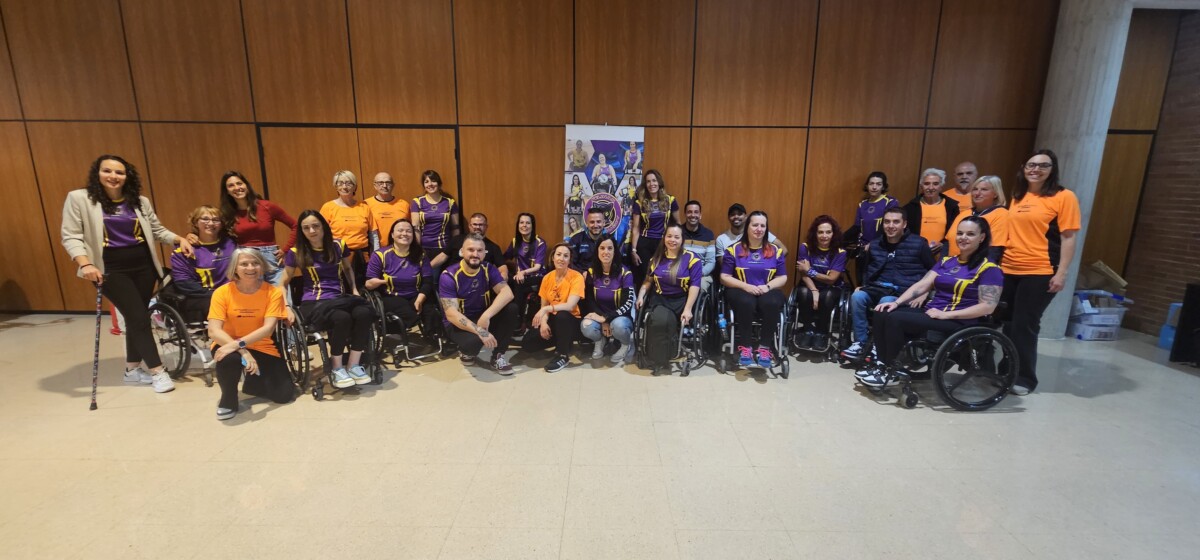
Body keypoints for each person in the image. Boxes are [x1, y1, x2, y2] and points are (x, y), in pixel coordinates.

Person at [61, 154, 193, 393]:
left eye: (119, 172)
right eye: (107, 171)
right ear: (97, 173)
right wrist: (85, 264)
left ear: (126, 176)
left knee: (136, 317)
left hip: (143, 265)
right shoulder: (79, 199)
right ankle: (157, 371)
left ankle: (132, 370)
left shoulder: (139, 201)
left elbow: (155, 229)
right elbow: (71, 235)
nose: (113, 176)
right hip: (109, 268)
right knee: (139, 318)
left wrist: (177, 238)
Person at [855, 217, 1003, 387]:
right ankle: (882, 364)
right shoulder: (948, 261)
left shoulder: (989, 269)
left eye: (970, 234)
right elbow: (923, 284)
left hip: (959, 320)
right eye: (960, 233)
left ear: (982, 238)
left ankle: (892, 370)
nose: (963, 237)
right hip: (933, 313)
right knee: (883, 311)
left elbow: (988, 306)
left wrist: (946, 315)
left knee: (894, 320)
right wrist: (897, 303)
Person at [1000, 149, 1081, 396]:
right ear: (1023, 168)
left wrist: (1062, 273)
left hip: (1040, 270)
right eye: (1031, 165)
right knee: (1008, 323)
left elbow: (1069, 238)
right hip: (1008, 268)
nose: (1035, 169)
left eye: (1043, 165)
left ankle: (1024, 378)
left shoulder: (1064, 197)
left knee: (1025, 324)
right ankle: (1005, 371)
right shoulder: (1017, 196)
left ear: (1052, 169)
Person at [282, 210, 375, 389]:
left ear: (324, 227)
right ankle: (337, 367)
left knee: (364, 313)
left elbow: (348, 269)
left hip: (339, 299)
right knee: (342, 318)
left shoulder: (339, 245)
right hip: (313, 303)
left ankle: (354, 364)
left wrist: (355, 289)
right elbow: (282, 282)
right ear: (301, 231)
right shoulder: (295, 252)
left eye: (315, 226)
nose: (311, 231)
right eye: (306, 228)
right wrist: (286, 306)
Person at [207, 248, 294, 420]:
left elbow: (268, 329)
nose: (251, 268)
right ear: (235, 268)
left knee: (284, 395)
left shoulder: (273, 292)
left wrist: (238, 345)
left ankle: (253, 382)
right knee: (227, 358)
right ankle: (228, 400)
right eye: (244, 264)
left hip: (262, 344)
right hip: (227, 343)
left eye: (255, 263)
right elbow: (214, 330)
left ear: (262, 267)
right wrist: (242, 350)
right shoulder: (222, 292)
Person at [841, 207, 935, 361]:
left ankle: (879, 347)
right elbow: (868, 269)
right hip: (878, 286)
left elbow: (933, 271)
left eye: (896, 222)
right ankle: (860, 342)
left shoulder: (918, 244)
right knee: (857, 297)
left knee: (885, 303)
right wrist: (863, 285)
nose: (891, 226)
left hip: (904, 291)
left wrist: (924, 292)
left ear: (904, 224)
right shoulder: (876, 244)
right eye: (887, 222)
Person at [439, 233, 519, 374]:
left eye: (479, 250)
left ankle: (498, 356)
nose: (475, 254)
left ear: (484, 253)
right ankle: (466, 353)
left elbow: (507, 293)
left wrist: (486, 316)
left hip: (481, 315)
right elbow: (451, 314)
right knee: (472, 344)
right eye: (470, 250)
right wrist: (481, 331)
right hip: (458, 323)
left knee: (511, 309)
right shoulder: (449, 275)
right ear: (461, 252)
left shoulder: (488, 268)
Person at [720, 211, 788, 369]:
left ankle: (765, 348)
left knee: (771, 302)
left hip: (767, 289)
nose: (759, 228)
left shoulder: (776, 251)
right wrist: (746, 286)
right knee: (746, 302)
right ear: (747, 227)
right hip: (740, 289)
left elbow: (783, 277)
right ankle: (746, 348)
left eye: (762, 225)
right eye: (755, 225)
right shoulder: (733, 250)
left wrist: (767, 286)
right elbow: (724, 277)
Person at [636, 223, 702, 373]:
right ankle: (659, 359)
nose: (672, 240)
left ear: (682, 239)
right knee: (661, 321)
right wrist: (640, 296)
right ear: (664, 238)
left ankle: (668, 353)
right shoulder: (656, 259)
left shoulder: (692, 259)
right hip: (661, 299)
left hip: (682, 300)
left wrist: (688, 309)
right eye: (669, 236)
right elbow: (648, 281)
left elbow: (695, 285)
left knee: (667, 321)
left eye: (676, 237)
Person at [217, 170, 296, 284]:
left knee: (281, 298)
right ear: (227, 192)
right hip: (246, 261)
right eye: (231, 185)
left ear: (246, 186)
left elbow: (296, 225)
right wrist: (191, 235)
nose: (236, 187)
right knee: (254, 299)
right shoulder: (227, 213)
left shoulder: (266, 206)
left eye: (239, 183)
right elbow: (212, 233)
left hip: (271, 258)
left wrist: (286, 250)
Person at [365, 219, 440, 336]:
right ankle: (399, 330)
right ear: (392, 235)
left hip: (415, 294)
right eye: (400, 230)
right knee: (407, 311)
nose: (404, 234)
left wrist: (420, 299)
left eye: (408, 231)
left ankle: (434, 338)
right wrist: (379, 281)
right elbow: (369, 283)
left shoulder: (421, 254)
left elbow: (427, 281)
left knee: (431, 312)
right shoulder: (380, 255)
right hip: (390, 296)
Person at [522, 244, 585, 372]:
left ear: (569, 260)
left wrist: (546, 310)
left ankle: (562, 355)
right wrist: (544, 323)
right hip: (553, 320)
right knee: (528, 343)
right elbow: (543, 305)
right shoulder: (547, 278)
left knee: (562, 315)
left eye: (566, 256)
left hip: (571, 321)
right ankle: (562, 340)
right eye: (559, 254)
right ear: (553, 257)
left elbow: (570, 305)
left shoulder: (576, 277)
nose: (561, 258)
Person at [170, 205, 238, 320]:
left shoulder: (231, 243)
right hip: (203, 296)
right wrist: (216, 295)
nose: (211, 223)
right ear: (196, 222)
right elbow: (183, 282)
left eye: (216, 220)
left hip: (233, 293)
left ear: (221, 224)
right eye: (205, 219)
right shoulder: (183, 249)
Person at [794, 215, 848, 350]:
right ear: (815, 233)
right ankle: (808, 329)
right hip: (810, 285)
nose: (824, 236)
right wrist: (814, 290)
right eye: (820, 232)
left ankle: (821, 331)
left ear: (833, 234)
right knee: (803, 292)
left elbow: (831, 279)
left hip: (831, 288)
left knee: (827, 295)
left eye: (828, 232)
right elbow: (803, 273)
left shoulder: (840, 252)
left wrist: (810, 271)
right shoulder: (805, 247)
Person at [580, 235, 636, 364]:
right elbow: (589, 299)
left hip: (620, 318)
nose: (606, 252)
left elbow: (627, 304)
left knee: (618, 325)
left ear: (615, 251)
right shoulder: (591, 271)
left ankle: (625, 345)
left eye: (610, 248)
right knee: (586, 325)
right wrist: (602, 320)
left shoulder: (625, 273)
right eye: (602, 248)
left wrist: (606, 318)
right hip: (600, 317)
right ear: (597, 251)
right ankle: (600, 341)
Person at [319, 170, 375, 287]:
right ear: (336, 186)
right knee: (342, 287)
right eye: (340, 183)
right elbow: (321, 234)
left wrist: (375, 255)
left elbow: (373, 234)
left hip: (362, 255)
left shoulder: (363, 206)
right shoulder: (328, 207)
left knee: (362, 286)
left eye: (349, 183)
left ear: (355, 186)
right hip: (338, 255)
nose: (344, 187)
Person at [846, 171, 899, 285]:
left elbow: (890, 227)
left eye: (878, 184)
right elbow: (857, 227)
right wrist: (838, 239)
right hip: (863, 249)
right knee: (861, 282)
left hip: (881, 248)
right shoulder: (862, 204)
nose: (874, 187)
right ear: (867, 186)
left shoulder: (890, 202)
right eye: (871, 184)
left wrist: (874, 243)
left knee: (876, 282)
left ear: (883, 186)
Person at [630, 169, 680, 286]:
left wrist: (678, 246)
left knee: (661, 275)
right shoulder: (639, 203)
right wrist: (633, 250)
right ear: (645, 185)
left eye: (654, 180)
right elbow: (636, 228)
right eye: (648, 181)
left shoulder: (670, 200)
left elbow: (678, 223)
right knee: (645, 276)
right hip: (644, 244)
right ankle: (643, 302)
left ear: (659, 182)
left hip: (664, 243)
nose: (651, 184)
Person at [946, 175, 1009, 262]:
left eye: (984, 189)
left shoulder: (1001, 214)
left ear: (995, 194)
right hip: (952, 266)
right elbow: (948, 243)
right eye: (975, 189)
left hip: (975, 269)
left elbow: (994, 251)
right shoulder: (964, 214)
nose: (977, 193)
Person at [903, 168, 960, 260]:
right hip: (915, 256)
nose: (931, 188)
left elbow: (956, 232)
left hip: (942, 255)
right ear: (921, 186)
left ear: (941, 187)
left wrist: (943, 244)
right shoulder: (910, 208)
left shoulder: (951, 207)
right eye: (926, 184)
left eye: (935, 184)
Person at [505, 213, 547, 335]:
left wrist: (522, 272)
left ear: (532, 226)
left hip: (537, 277)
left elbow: (538, 267)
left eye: (528, 223)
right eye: (522, 222)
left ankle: (518, 322)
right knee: (510, 282)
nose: (524, 225)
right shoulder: (515, 241)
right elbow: (505, 257)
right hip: (520, 277)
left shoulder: (540, 242)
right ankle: (514, 319)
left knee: (518, 284)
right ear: (518, 225)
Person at [432, 212, 507, 279]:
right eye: (475, 224)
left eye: (481, 225)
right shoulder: (456, 240)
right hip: (454, 279)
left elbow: (502, 267)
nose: (477, 227)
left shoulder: (493, 247)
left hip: (479, 282)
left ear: (486, 227)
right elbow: (442, 257)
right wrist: (426, 268)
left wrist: (503, 277)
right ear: (469, 226)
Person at [411, 169, 461, 259]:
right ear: (424, 185)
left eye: (433, 181)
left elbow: (455, 228)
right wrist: (417, 249)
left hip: (444, 249)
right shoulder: (417, 202)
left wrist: (454, 248)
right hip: (424, 248)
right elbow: (416, 228)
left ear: (439, 183)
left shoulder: (450, 202)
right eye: (426, 182)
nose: (430, 184)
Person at [715, 203, 781, 263]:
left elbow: (784, 250)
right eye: (732, 214)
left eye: (740, 214)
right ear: (728, 218)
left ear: (746, 217)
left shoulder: (759, 232)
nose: (736, 217)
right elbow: (723, 264)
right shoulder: (721, 239)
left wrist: (769, 265)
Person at [364, 171, 410, 251]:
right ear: (375, 185)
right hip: (376, 250)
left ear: (393, 185)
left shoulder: (404, 204)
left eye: (388, 183)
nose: (384, 186)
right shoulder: (366, 204)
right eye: (380, 183)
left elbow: (410, 228)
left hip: (401, 249)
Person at [680, 200, 717, 291]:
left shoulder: (708, 235)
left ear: (700, 215)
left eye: (696, 212)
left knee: (698, 287)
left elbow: (710, 262)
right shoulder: (678, 233)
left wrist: (698, 273)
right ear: (685, 214)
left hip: (701, 275)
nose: (693, 215)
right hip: (679, 273)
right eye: (689, 212)